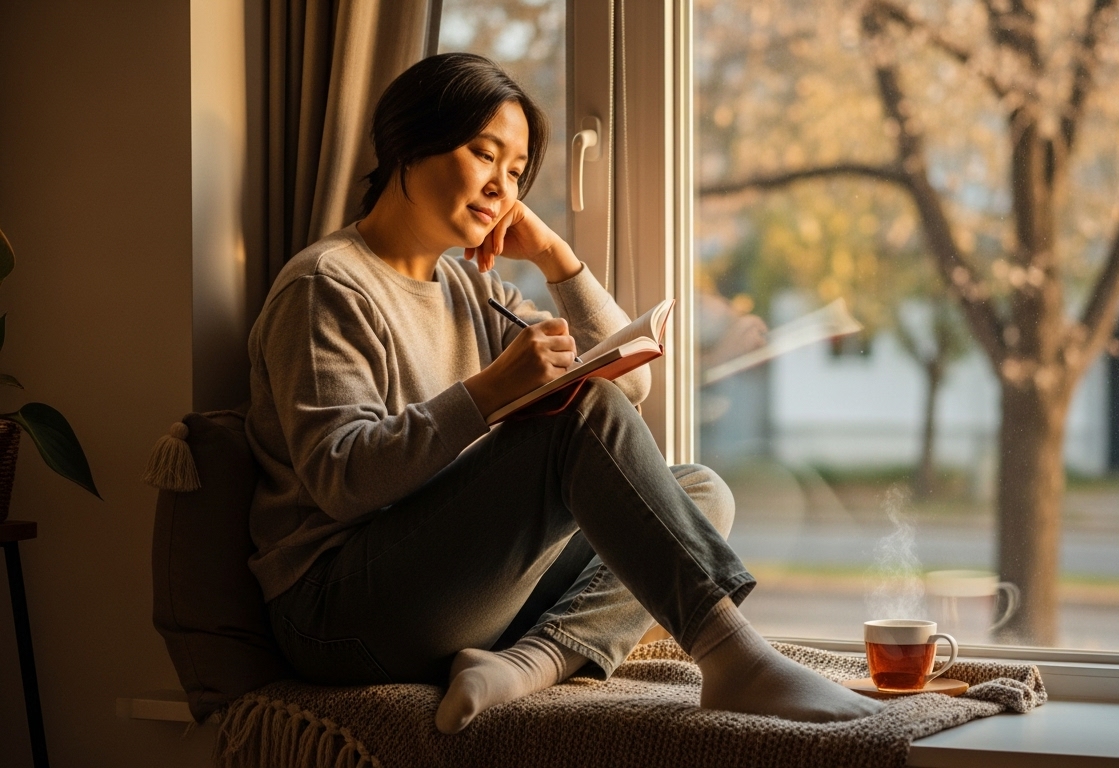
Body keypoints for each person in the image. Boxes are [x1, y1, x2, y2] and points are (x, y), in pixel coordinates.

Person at [244, 52, 882, 734]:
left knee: (698, 494)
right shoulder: (327, 284)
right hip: (339, 614)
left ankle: (523, 665)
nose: (500, 186)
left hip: (446, 589)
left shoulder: (469, 288)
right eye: (483, 154)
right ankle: (733, 658)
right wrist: (489, 392)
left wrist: (555, 256)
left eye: (516, 172)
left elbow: (629, 384)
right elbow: (341, 479)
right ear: (406, 143)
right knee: (583, 419)